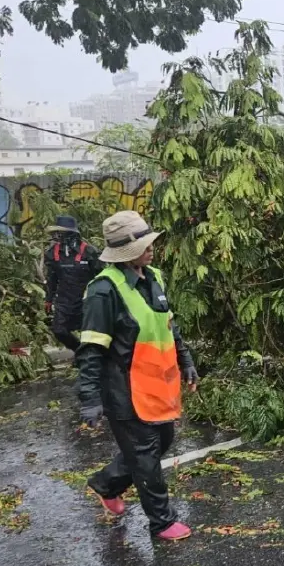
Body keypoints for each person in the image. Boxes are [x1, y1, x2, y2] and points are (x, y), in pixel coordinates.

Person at [77, 210, 198, 541]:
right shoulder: (104, 291)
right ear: (126, 251)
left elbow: (168, 325)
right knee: (144, 454)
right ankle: (161, 521)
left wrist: (186, 359)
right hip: (123, 389)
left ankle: (107, 484)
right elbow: (91, 349)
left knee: (164, 440)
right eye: (144, 245)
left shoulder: (153, 277)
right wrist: (89, 398)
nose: (152, 249)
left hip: (157, 385)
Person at [43, 215, 101, 352]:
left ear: (70, 233)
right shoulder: (52, 253)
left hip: (85, 300)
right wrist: (48, 299)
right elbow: (51, 278)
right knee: (59, 330)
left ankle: (91, 357)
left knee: (89, 333)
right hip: (64, 301)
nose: (57, 235)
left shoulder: (89, 252)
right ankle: (80, 351)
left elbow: (101, 276)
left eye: (60, 232)